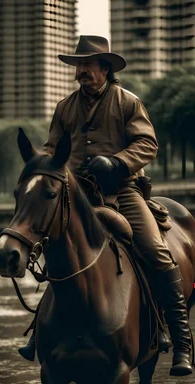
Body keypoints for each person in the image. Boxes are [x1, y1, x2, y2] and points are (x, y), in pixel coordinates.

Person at [19, 35, 192, 376]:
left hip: (123, 190)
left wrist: (117, 162)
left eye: (88, 64)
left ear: (105, 68)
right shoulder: (64, 107)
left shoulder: (128, 102)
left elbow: (147, 143)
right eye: (78, 65)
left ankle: (180, 340)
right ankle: (40, 335)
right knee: (53, 247)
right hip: (76, 194)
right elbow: (53, 150)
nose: (81, 70)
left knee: (155, 250)